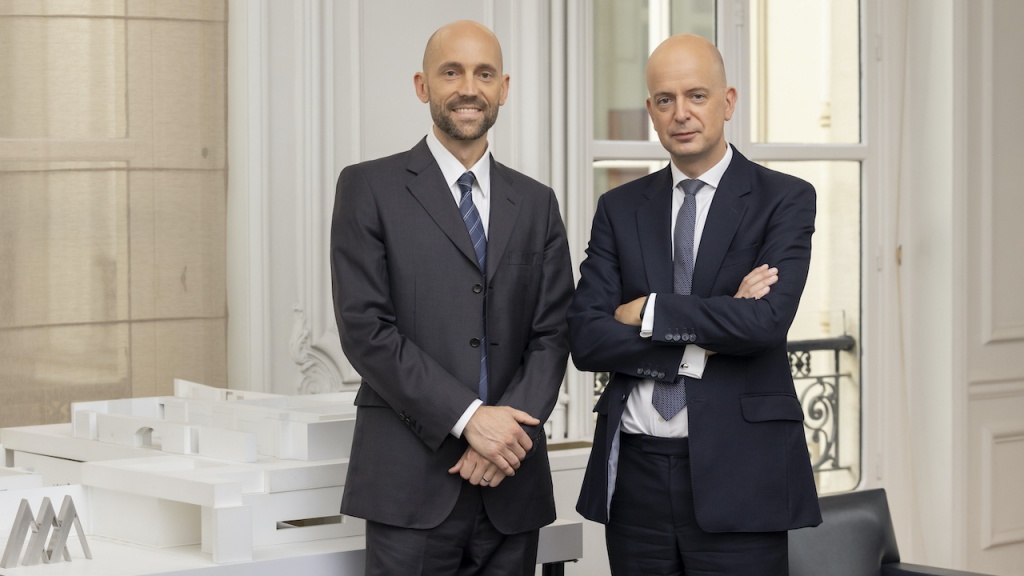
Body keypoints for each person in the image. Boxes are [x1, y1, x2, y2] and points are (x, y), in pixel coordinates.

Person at [568, 34, 822, 575]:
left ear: (728, 102)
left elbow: (765, 322)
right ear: (651, 112)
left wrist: (649, 311)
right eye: (665, 100)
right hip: (634, 478)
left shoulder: (784, 198)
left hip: (742, 475)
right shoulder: (619, 208)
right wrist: (705, 336)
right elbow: (586, 338)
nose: (680, 113)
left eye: (696, 96)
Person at [330, 20, 574, 576]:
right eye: (451, 72)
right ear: (423, 86)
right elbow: (366, 330)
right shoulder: (368, 188)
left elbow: (554, 331)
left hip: (511, 484)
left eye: (484, 74)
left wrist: (506, 437)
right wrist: (470, 421)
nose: (469, 88)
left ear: (503, 88)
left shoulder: (536, 202)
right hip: (409, 487)